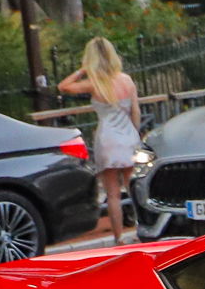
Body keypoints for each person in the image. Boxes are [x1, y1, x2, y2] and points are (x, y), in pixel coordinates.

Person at [55, 36, 143, 243]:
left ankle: (119, 236)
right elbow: (136, 112)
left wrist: (83, 70)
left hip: (107, 138)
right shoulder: (126, 80)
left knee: (112, 193)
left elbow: (63, 86)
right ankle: (142, 227)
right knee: (134, 187)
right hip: (128, 136)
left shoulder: (94, 83)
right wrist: (135, 134)